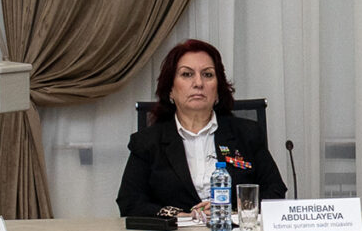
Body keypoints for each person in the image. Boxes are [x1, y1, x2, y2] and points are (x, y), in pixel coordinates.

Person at [117, 39, 287, 218]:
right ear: (170, 90)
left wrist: (229, 211)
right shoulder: (147, 142)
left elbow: (275, 192)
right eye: (187, 74)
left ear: (218, 90)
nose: (198, 83)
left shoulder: (247, 134)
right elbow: (130, 202)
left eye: (207, 74)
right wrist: (181, 216)